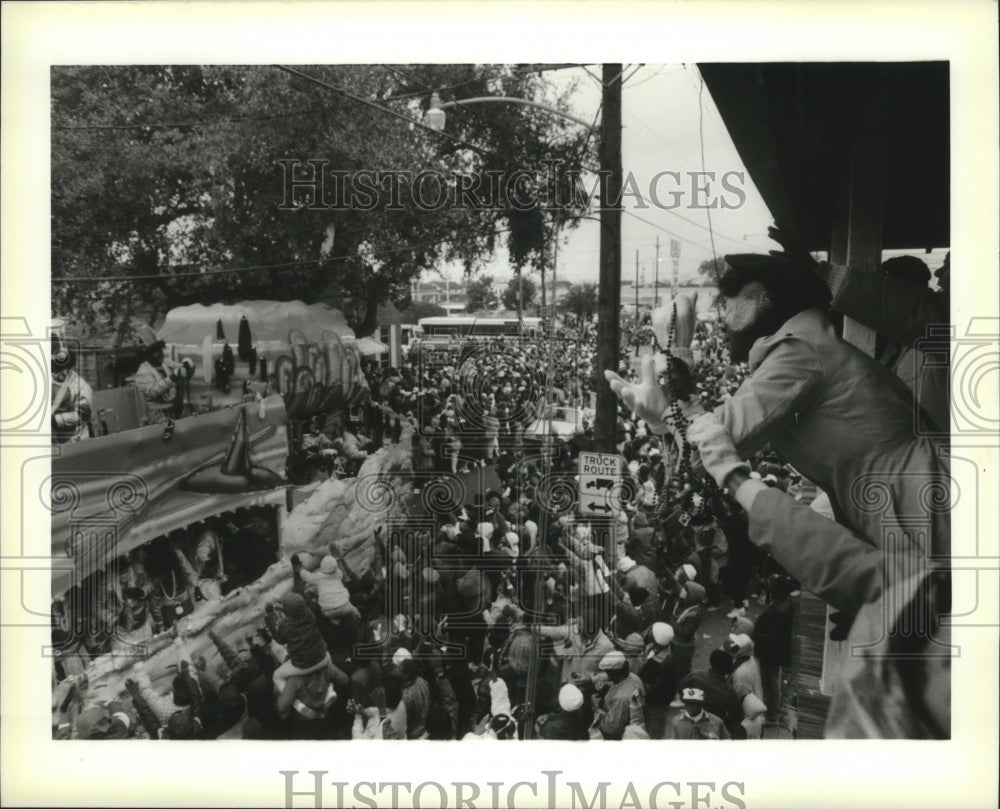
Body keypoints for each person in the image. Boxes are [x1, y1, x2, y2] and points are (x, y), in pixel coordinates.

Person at [753, 576, 795, 724]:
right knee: (772, 682)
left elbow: (775, 636)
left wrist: (756, 635)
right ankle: (774, 712)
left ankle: (772, 715)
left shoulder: (780, 610)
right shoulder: (783, 605)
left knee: (770, 684)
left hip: (771, 653)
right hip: (773, 651)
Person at [678, 649, 746, 741]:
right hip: (713, 728)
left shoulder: (696, 675)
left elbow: (681, 687)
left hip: (690, 722)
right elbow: (737, 718)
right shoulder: (729, 691)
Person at [592, 650, 645, 740]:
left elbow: (611, 729)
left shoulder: (620, 699)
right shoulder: (633, 677)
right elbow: (623, 685)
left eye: (608, 673)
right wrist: (609, 686)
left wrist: (595, 708)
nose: (608, 676)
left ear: (616, 674)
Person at [51, 337, 93, 444]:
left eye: (56, 367)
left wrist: (56, 420)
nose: (54, 371)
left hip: (75, 441)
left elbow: (83, 414)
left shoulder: (80, 385)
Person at [134, 340, 181, 424]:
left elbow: (179, 367)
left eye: (161, 351)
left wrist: (187, 365)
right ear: (147, 355)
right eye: (156, 352)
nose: (161, 354)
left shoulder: (163, 362)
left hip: (171, 409)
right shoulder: (142, 372)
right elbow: (152, 391)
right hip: (155, 415)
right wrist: (172, 378)